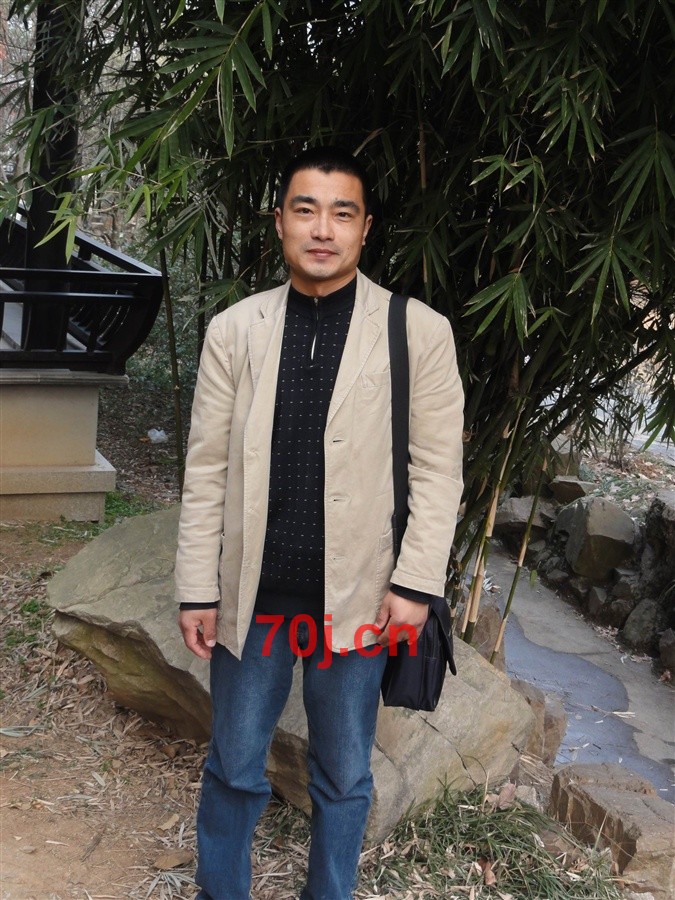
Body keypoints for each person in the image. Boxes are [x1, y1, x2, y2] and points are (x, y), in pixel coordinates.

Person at [175, 146, 464, 900]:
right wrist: (196, 587)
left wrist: (415, 584)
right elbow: (206, 470)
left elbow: (438, 474)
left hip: (361, 598)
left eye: (342, 213)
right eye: (306, 210)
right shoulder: (235, 330)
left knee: (343, 773)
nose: (323, 229)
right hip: (256, 598)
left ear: (365, 228)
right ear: (280, 222)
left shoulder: (415, 331)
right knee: (234, 765)